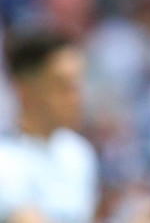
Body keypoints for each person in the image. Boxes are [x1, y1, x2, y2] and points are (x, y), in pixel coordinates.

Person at [0, 31, 99, 223]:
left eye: (77, 85)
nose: (76, 98)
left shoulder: (79, 153)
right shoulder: (4, 161)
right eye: (63, 86)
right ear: (25, 91)